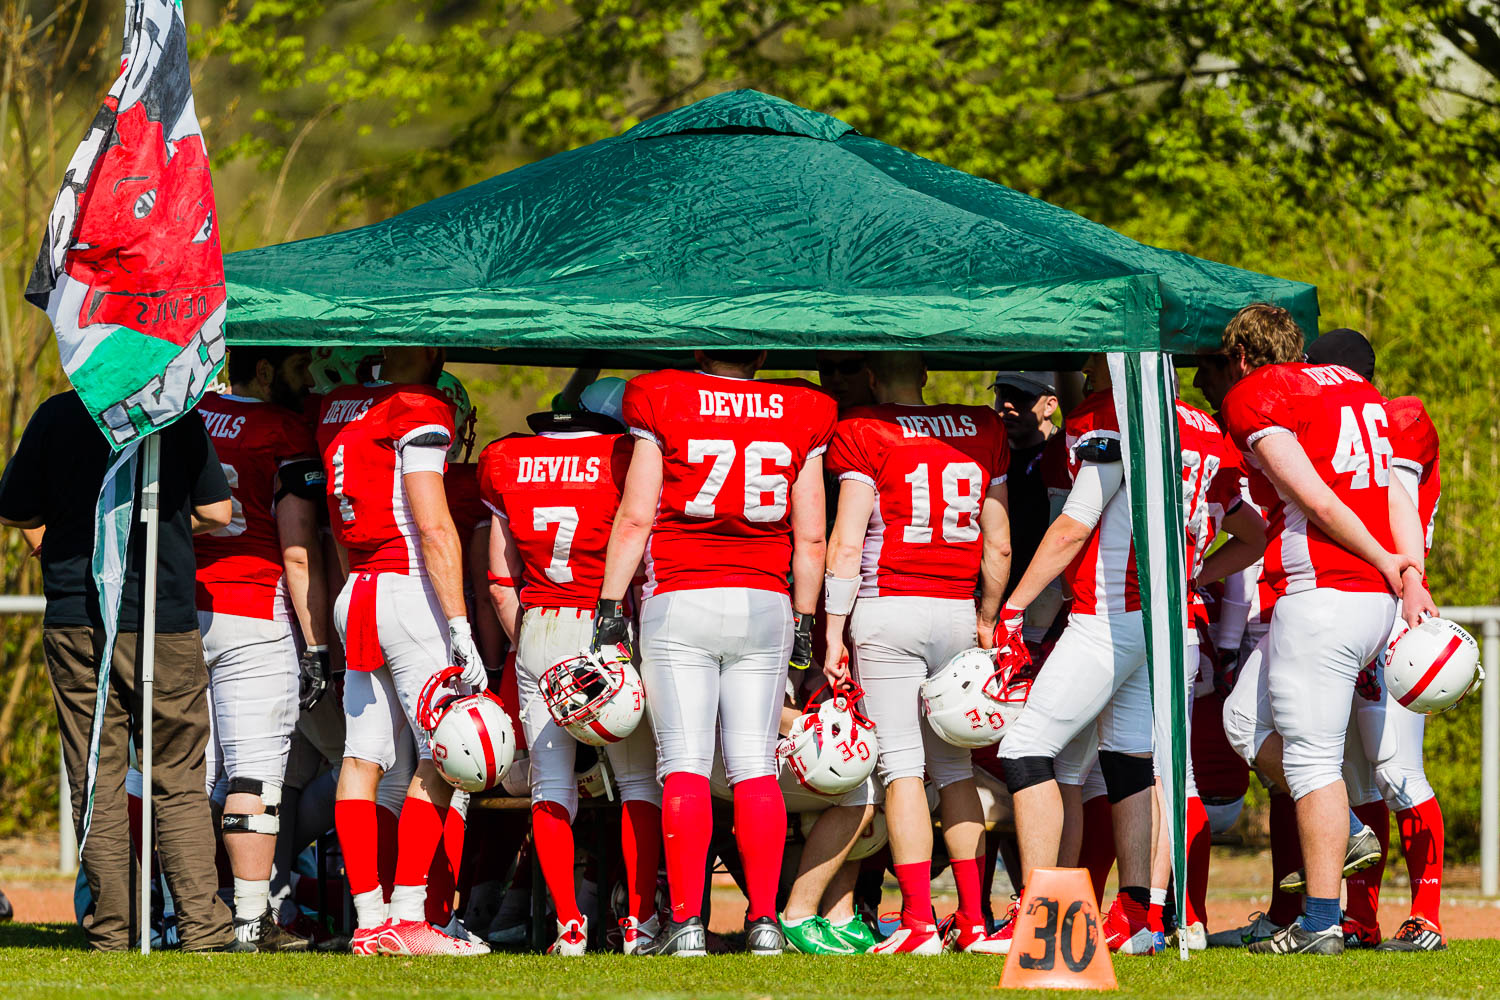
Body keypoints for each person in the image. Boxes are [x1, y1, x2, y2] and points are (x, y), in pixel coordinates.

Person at [995, 353, 1251, 955]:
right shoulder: (1203, 427)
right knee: (1131, 762)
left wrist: (1014, 607)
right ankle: (1138, 914)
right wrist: (1195, 576)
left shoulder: (1112, 416)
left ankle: (1042, 916)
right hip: (1173, 623)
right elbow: (1253, 531)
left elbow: (1076, 524)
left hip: (1112, 615)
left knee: (1027, 748)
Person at [594, 350, 836, 956]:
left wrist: (609, 602)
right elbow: (810, 534)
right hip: (766, 599)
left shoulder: (662, 395)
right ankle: (763, 921)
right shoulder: (804, 407)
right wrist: (807, 617)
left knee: (684, 763)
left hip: (682, 594)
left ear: (701, 348)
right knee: (754, 764)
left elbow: (635, 517)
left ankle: (686, 924)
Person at [1215, 305, 1435, 956]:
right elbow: (1397, 494)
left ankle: (1319, 921)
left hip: (1325, 593)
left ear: (1244, 359)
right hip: (1367, 597)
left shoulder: (1261, 392)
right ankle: (1341, 839)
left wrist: (1390, 561)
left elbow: (1315, 499)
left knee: (1312, 762)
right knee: (1241, 722)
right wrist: (1408, 571)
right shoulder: (1360, 392)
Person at [0, 391, 234, 952]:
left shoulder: (57, 413)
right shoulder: (175, 413)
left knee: (95, 777)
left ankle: (114, 929)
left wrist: (55, 541)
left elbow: (15, 508)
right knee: (177, 775)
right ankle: (202, 927)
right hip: (163, 617)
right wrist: (165, 532)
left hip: (78, 615)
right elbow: (217, 512)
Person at [822, 351, 1013, 955]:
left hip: (888, 606)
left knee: (901, 767)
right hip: (956, 607)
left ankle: (917, 922)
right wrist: (987, 615)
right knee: (954, 769)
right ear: (926, 375)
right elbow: (1000, 544)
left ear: (872, 377)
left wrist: (831, 631)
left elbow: (848, 544)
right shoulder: (982, 430)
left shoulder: (865, 430)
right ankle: (975, 919)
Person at [479, 378, 664, 956]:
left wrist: (531, 640)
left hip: (540, 623)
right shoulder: (625, 459)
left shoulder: (508, 458)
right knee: (638, 780)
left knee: (549, 784)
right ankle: (637, 921)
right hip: (608, 627)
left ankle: (568, 924)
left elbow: (499, 579)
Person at [317, 345, 487, 956]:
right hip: (410, 589)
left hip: (357, 587)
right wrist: (460, 623)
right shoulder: (418, 408)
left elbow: (341, 525)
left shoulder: (339, 405)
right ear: (432, 350)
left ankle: (369, 920)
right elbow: (435, 525)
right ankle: (411, 913)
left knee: (362, 758)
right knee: (442, 752)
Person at [1299, 330, 1449, 953]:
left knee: (1395, 768)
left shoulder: (1400, 417)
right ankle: (1359, 916)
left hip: (1395, 606)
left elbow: (1401, 499)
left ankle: (1428, 916)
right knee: (1354, 775)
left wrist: (1410, 578)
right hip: (1360, 600)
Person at [194, 347, 329, 951]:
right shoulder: (284, 428)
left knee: (189, 777)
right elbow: (297, 548)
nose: (309, 380)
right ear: (267, 370)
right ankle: (250, 918)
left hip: (184, 607)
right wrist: (317, 644)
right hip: (255, 610)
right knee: (254, 770)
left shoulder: (191, 416)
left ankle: (180, 911)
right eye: (299, 367)